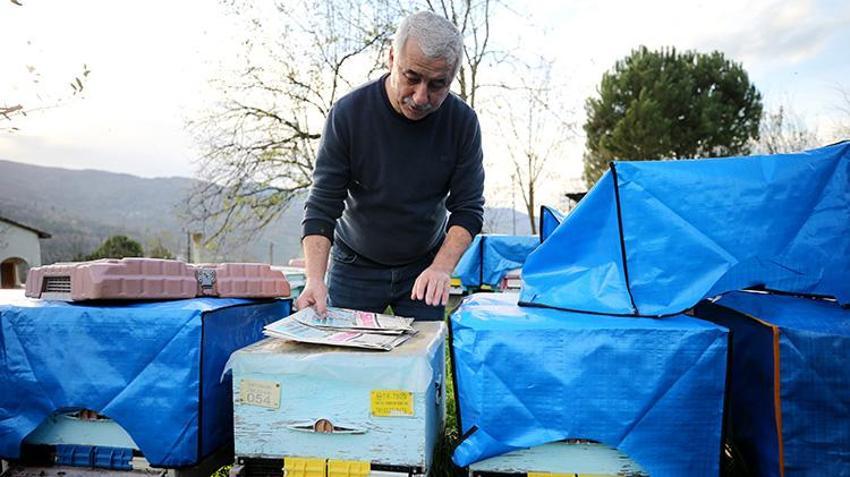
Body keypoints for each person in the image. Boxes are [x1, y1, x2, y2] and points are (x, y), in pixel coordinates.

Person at [295, 11, 485, 321]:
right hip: (354, 264)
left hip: (425, 269)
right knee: (345, 348)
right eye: (412, 77)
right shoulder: (348, 114)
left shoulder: (462, 123)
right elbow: (322, 205)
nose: (421, 97)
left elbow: (468, 209)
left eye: (437, 84)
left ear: (452, 78)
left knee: (423, 351)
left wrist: (441, 267)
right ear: (392, 58)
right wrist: (314, 279)